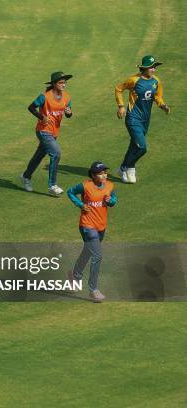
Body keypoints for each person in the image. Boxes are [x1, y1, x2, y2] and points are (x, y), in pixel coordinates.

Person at [67, 162, 117, 303]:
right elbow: (70, 192)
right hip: (87, 226)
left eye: (105, 172)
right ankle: (93, 289)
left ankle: (74, 276)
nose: (104, 175)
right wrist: (81, 204)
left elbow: (114, 199)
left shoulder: (109, 185)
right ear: (93, 175)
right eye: (101, 173)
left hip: (101, 226)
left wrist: (110, 201)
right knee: (97, 256)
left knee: (88, 252)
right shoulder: (85, 186)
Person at [115, 55, 170, 183]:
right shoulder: (134, 80)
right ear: (144, 68)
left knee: (134, 145)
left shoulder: (156, 81)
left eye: (154, 67)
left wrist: (162, 105)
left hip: (146, 119)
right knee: (142, 147)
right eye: (151, 67)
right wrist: (121, 106)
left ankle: (127, 169)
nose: (154, 69)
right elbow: (119, 89)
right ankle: (125, 167)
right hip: (133, 118)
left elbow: (157, 96)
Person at [20, 71, 73, 196]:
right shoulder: (45, 96)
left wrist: (69, 112)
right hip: (43, 131)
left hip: (54, 132)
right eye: (61, 82)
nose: (64, 85)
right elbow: (31, 107)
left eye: (65, 82)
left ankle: (25, 177)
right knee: (56, 153)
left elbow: (68, 114)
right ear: (54, 84)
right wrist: (41, 116)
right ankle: (52, 185)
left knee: (39, 155)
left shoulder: (67, 97)